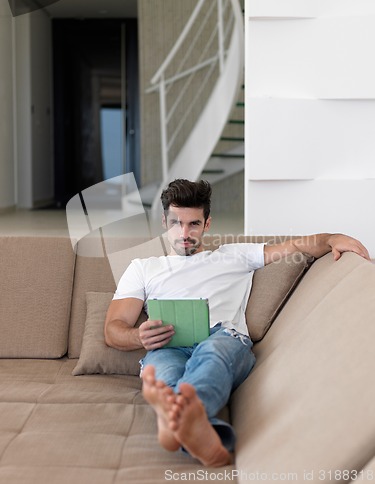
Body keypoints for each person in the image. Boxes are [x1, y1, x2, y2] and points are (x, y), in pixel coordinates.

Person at [104, 178, 370, 468]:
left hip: (223, 338)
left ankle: (174, 421)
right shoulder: (143, 268)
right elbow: (114, 328)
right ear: (164, 222)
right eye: (176, 223)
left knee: (211, 356)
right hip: (168, 345)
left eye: (193, 224)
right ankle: (197, 432)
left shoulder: (235, 255)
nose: (184, 233)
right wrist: (139, 338)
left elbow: (296, 245)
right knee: (164, 373)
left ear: (207, 224)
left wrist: (332, 237)